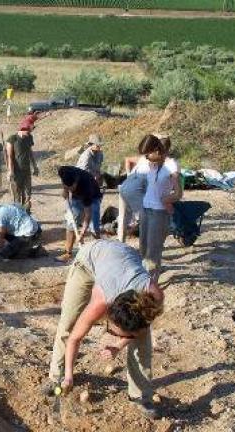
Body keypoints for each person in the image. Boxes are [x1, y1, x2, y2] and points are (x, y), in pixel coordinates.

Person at [48, 239, 164, 419]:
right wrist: (69, 376)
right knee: (69, 323)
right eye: (112, 331)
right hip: (89, 259)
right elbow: (75, 338)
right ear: (108, 314)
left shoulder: (153, 297)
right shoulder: (101, 299)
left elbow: (139, 330)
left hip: (123, 256)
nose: (112, 336)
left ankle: (140, 396)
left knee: (143, 342)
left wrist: (118, 345)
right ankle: (57, 376)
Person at [135, 134, 182, 273]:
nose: (146, 158)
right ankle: (146, 276)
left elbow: (178, 193)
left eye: (147, 154)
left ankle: (151, 281)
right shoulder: (150, 164)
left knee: (153, 249)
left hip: (159, 212)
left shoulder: (171, 165)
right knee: (143, 246)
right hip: (145, 210)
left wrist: (166, 199)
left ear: (157, 150)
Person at [57, 166, 102, 262]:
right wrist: (65, 190)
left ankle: (98, 255)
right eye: (67, 187)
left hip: (93, 197)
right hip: (76, 197)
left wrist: (82, 233)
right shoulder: (63, 171)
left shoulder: (87, 188)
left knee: (94, 226)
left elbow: (87, 215)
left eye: (71, 187)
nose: (70, 190)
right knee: (71, 223)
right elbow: (63, 180)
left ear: (76, 182)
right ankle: (68, 253)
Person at [5, 128, 39, 212]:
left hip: (27, 170)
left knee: (28, 194)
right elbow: (9, 156)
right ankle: (18, 214)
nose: (30, 131)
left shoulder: (29, 137)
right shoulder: (13, 138)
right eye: (28, 130)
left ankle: (26, 214)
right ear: (21, 129)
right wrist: (10, 171)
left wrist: (35, 166)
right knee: (17, 195)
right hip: (16, 171)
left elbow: (30, 152)